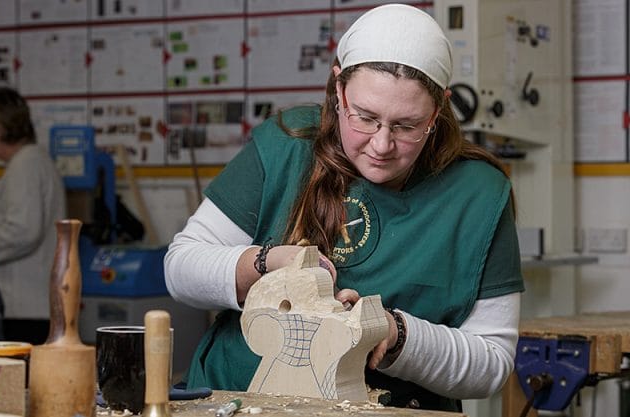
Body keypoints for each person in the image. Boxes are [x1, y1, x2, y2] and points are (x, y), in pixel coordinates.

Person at [164, 4, 523, 412]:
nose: (382, 144)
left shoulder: (477, 194)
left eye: (407, 126)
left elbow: (492, 365)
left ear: (438, 109)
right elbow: (180, 268)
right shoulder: (287, 144)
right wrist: (266, 263)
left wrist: (396, 333)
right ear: (339, 89)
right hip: (234, 397)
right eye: (365, 117)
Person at [0, 87, 66, 343]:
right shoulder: (30, 162)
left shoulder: (26, 164)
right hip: (31, 302)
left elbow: (23, 229)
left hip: (25, 305)